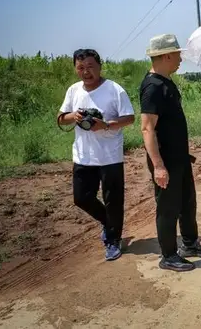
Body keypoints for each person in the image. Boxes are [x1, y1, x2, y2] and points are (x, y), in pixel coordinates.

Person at [139, 34, 201, 272]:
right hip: (166, 160)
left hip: (179, 157)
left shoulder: (166, 82)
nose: (181, 59)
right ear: (166, 56)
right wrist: (158, 166)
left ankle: (190, 244)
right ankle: (169, 255)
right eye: (177, 54)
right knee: (168, 208)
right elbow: (147, 128)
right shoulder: (152, 87)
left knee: (187, 203)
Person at [57, 49, 135, 261]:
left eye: (90, 67)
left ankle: (113, 240)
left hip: (110, 156)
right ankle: (108, 223)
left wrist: (106, 125)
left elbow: (129, 118)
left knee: (113, 200)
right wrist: (73, 116)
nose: (86, 72)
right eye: (80, 68)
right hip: (83, 155)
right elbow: (61, 117)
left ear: (100, 66)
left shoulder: (114, 89)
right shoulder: (73, 90)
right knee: (81, 198)